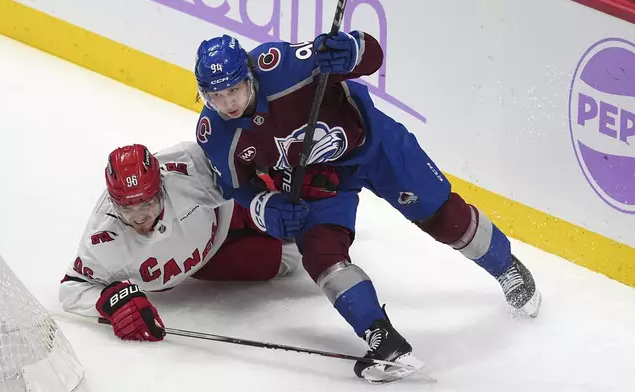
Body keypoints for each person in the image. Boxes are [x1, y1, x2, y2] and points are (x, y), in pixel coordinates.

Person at [192, 32, 542, 383]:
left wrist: (352, 52)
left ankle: (506, 267)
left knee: (442, 218)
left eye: (233, 90)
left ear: (249, 75)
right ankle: (382, 339)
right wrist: (263, 205)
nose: (228, 103)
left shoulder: (285, 67)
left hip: (374, 145)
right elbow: (234, 185)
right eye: (216, 95)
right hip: (318, 180)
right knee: (320, 255)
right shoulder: (215, 132)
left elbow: (371, 54)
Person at [59, 141, 301, 342]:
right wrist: (112, 303)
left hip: (228, 209)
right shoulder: (103, 237)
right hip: (206, 262)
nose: (140, 217)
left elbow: (241, 156)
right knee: (289, 261)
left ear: (161, 187)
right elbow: (72, 288)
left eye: (147, 203)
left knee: (292, 215)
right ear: (113, 204)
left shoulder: (187, 167)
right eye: (127, 210)